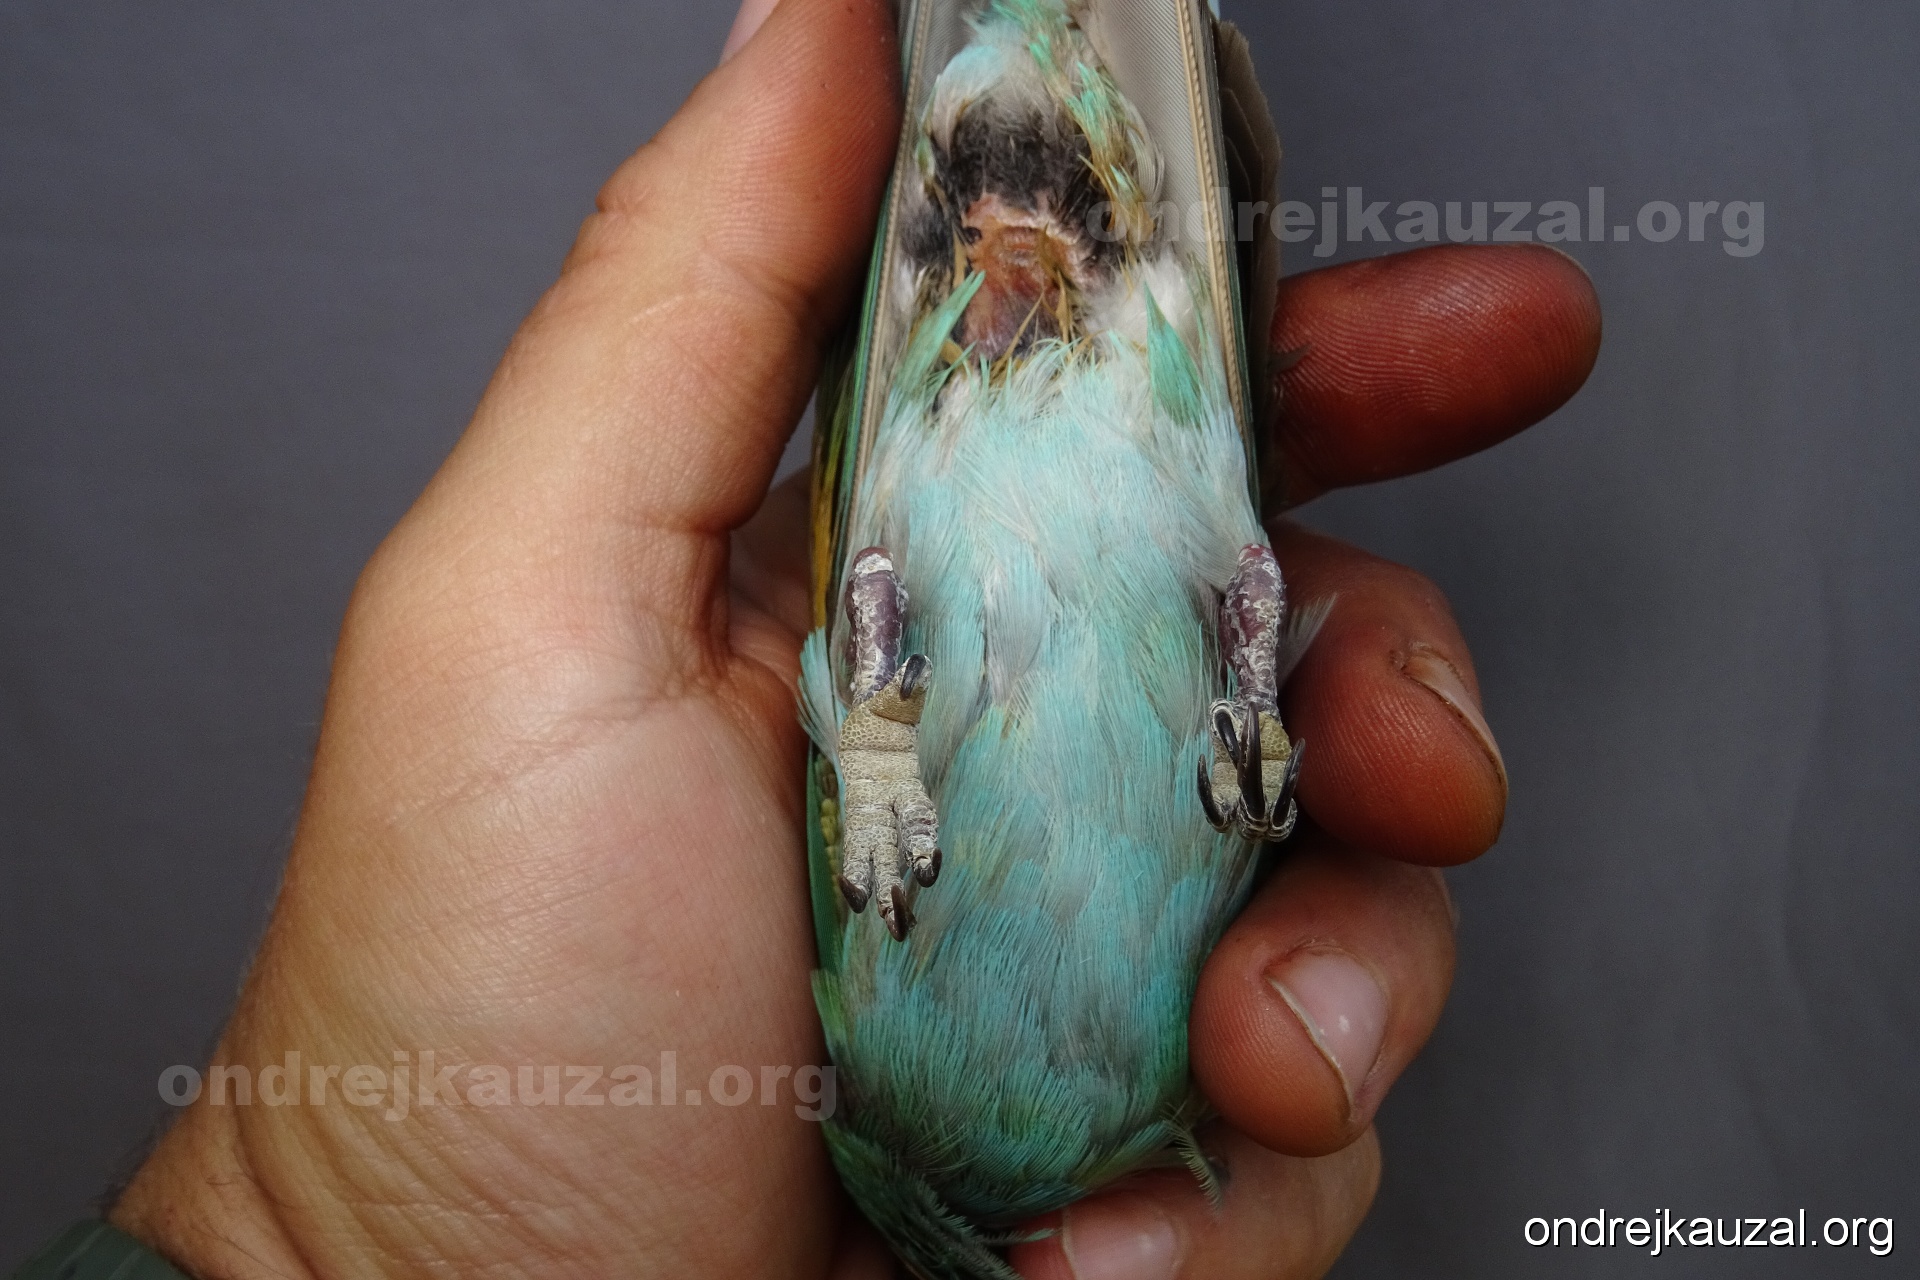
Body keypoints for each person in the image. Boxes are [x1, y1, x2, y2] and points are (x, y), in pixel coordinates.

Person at [94, 0, 1600, 1275]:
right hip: (1150, 415)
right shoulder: (1103, 1149)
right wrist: (1246, 706)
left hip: (959, 399)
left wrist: (316, 1235)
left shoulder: (896, 1134)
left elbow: (866, 600)